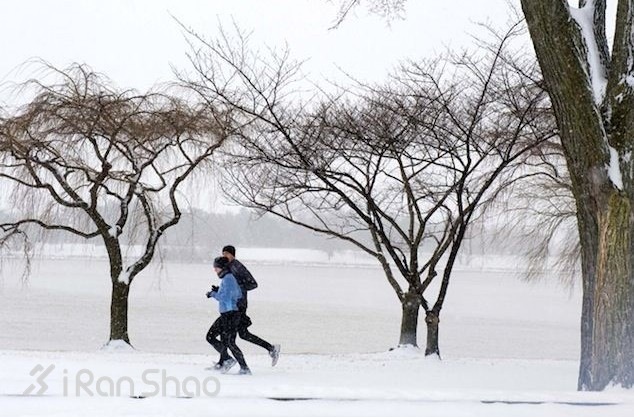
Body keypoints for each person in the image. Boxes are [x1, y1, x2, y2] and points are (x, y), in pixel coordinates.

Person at [216, 245, 281, 368]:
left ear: (232, 254)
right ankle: (271, 348)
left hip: (239, 306)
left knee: (228, 337)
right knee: (241, 334)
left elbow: (253, 284)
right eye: (223, 254)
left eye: (226, 254)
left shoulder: (237, 266)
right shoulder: (228, 267)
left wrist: (238, 289)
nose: (224, 256)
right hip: (233, 306)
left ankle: (234, 365)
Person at [205, 256, 251, 375]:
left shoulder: (228, 279)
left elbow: (226, 297)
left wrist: (213, 294)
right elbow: (236, 293)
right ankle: (226, 361)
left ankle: (242, 367)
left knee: (226, 341)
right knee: (219, 339)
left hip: (230, 314)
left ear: (222, 268)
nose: (215, 270)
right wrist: (219, 290)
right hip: (228, 314)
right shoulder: (228, 278)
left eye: (216, 268)